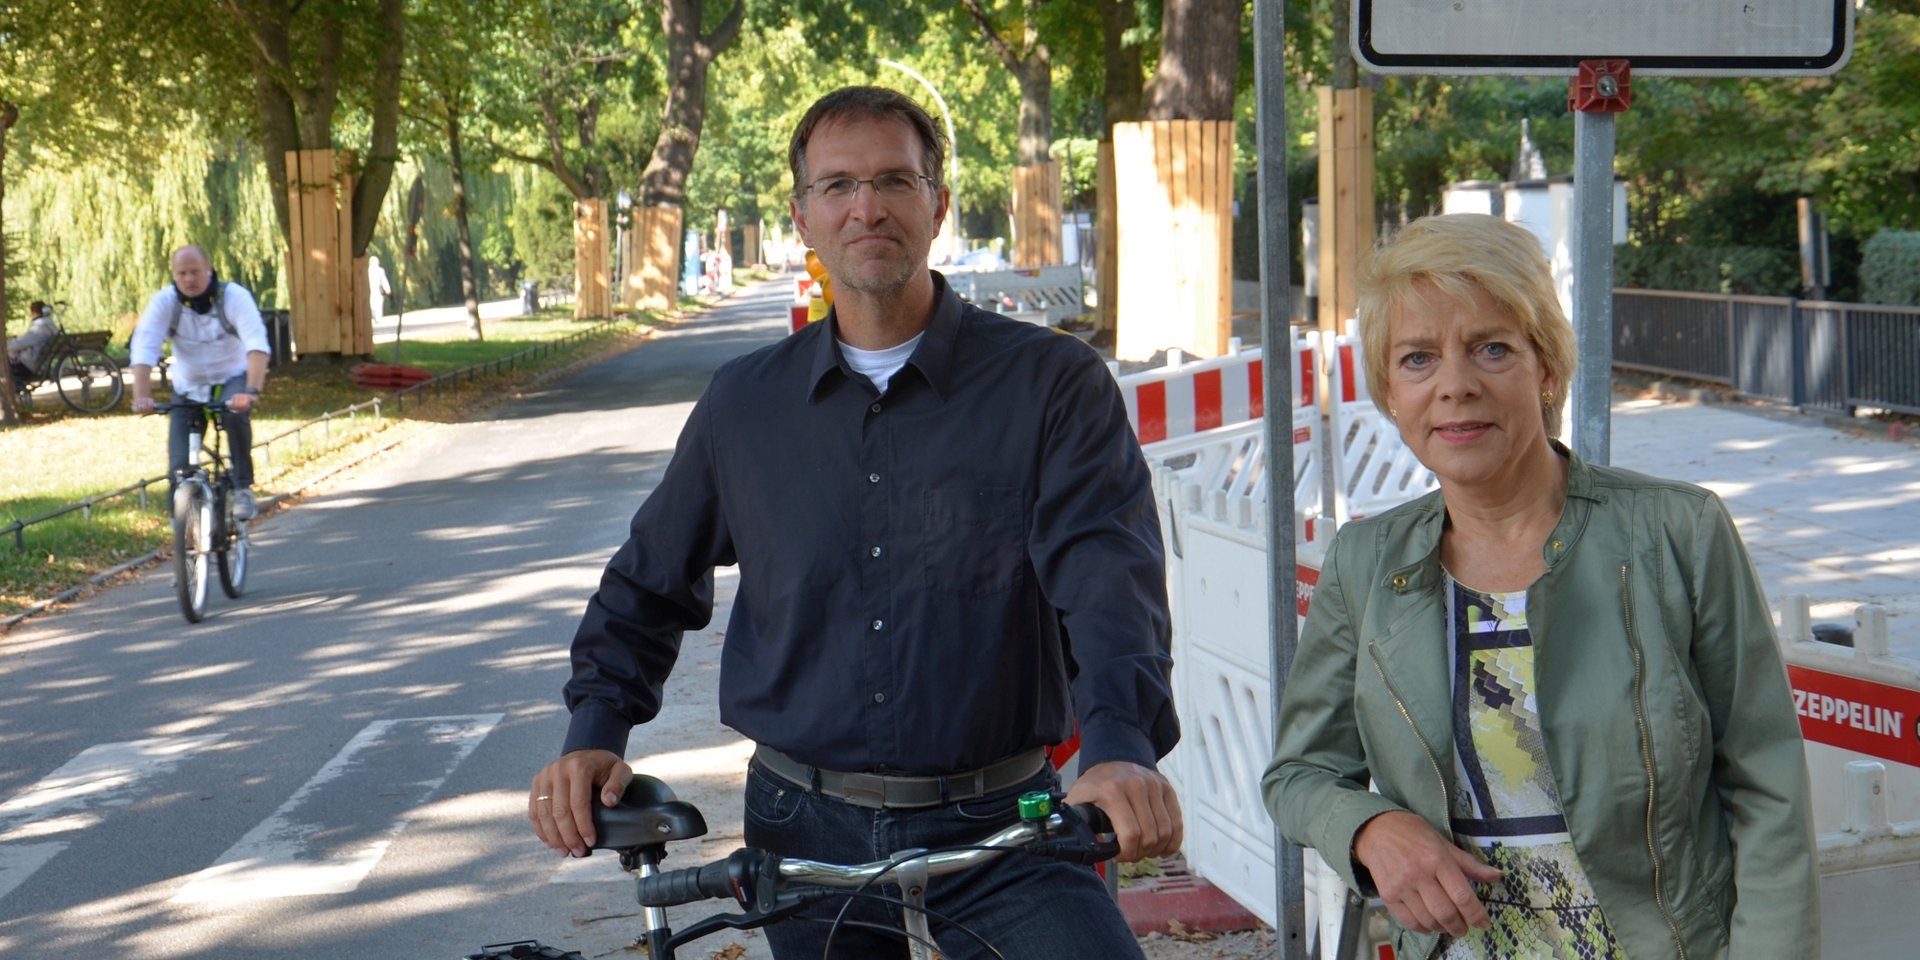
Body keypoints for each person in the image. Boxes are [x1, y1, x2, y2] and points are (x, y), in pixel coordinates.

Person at [529, 85, 1183, 959]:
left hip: (1008, 826)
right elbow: (647, 581)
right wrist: (594, 735)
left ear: (938, 204)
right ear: (803, 216)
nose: (866, 207)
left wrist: (1119, 747)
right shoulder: (744, 405)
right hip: (803, 826)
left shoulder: (1050, 386)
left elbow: (1108, 580)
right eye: (837, 186)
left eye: (893, 181)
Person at [1262, 214, 1818, 959]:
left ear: (1547, 368)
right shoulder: (1365, 564)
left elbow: (1768, 785)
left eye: (1492, 348)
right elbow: (1300, 774)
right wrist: (1370, 828)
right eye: (1418, 359)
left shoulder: (1676, 533)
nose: (1455, 386)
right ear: (1391, 392)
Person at [129, 245, 272, 521]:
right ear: (174, 275)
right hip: (188, 385)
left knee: (234, 415)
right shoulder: (166, 302)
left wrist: (251, 391)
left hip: (232, 377)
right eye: (182, 273)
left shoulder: (232, 297)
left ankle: (242, 487)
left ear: (209, 270)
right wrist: (141, 396)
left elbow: (257, 345)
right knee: (180, 462)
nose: (189, 279)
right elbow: (144, 347)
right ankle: (183, 525)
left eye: (195, 272)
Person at [6, 300, 59, 383]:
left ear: (34, 313)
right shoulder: (50, 327)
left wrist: (4, 344)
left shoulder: (39, 328)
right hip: (40, 365)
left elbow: (19, 344)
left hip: (27, 366)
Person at [368, 255, 391, 320]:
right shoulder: (368, 271)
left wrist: (387, 288)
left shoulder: (380, 270)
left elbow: (383, 280)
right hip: (371, 290)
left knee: (377, 303)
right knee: (373, 304)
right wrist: (387, 288)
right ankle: (375, 317)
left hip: (376, 289)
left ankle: (377, 318)